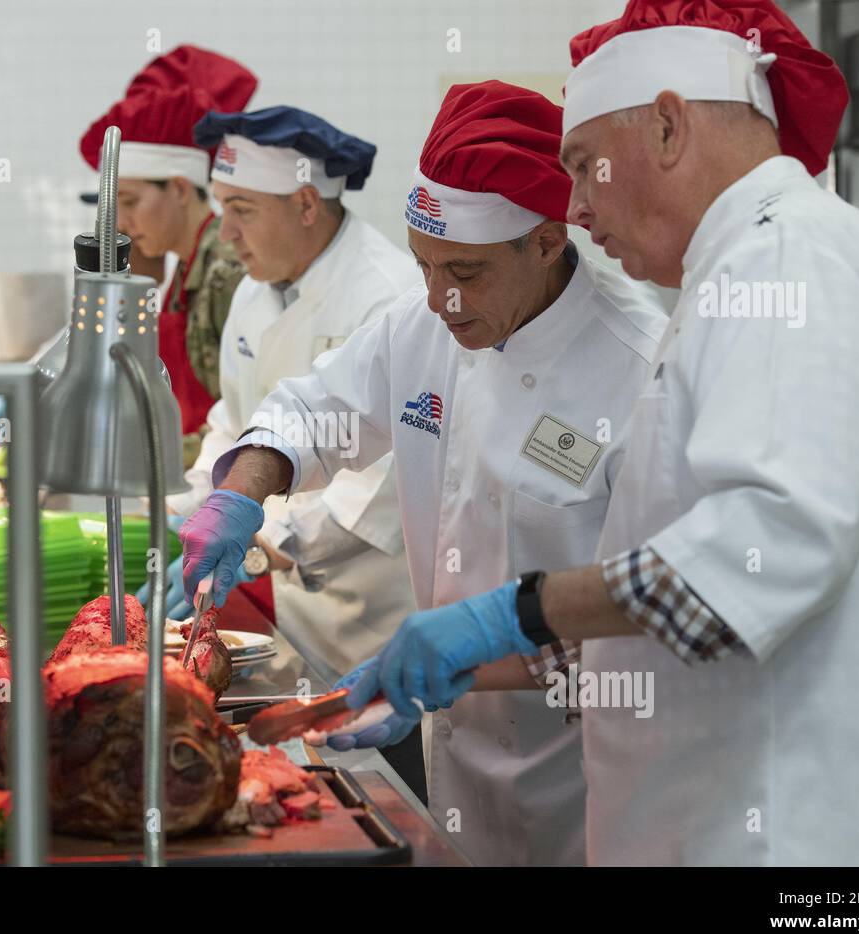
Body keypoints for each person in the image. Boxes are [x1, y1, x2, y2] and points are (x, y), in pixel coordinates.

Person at [351, 0, 859, 865]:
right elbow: (679, 589)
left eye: (585, 167)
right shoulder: (734, 275)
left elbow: (762, 553)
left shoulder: (790, 264)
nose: (578, 212)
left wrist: (513, 613)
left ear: (669, 125)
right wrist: (481, 662)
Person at [176, 82, 669, 865]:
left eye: (465, 272)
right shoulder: (426, 322)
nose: (438, 298)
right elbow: (314, 411)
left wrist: (471, 655)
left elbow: (654, 619)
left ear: (547, 241)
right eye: (422, 264)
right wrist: (239, 494)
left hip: (583, 786)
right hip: (454, 769)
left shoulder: (643, 369)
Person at [148, 106, 418, 678]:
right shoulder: (256, 288)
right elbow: (234, 419)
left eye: (242, 210)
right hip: (285, 615)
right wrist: (182, 511)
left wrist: (259, 543)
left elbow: (381, 484)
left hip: (368, 622)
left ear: (305, 204)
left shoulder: (390, 295)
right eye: (223, 209)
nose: (226, 233)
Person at [80, 45, 256, 467]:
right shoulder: (185, 269)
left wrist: (149, 462)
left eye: (131, 202)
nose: (120, 222)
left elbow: (244, 416)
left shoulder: (227, 269)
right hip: (199, 480)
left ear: (179, 189)